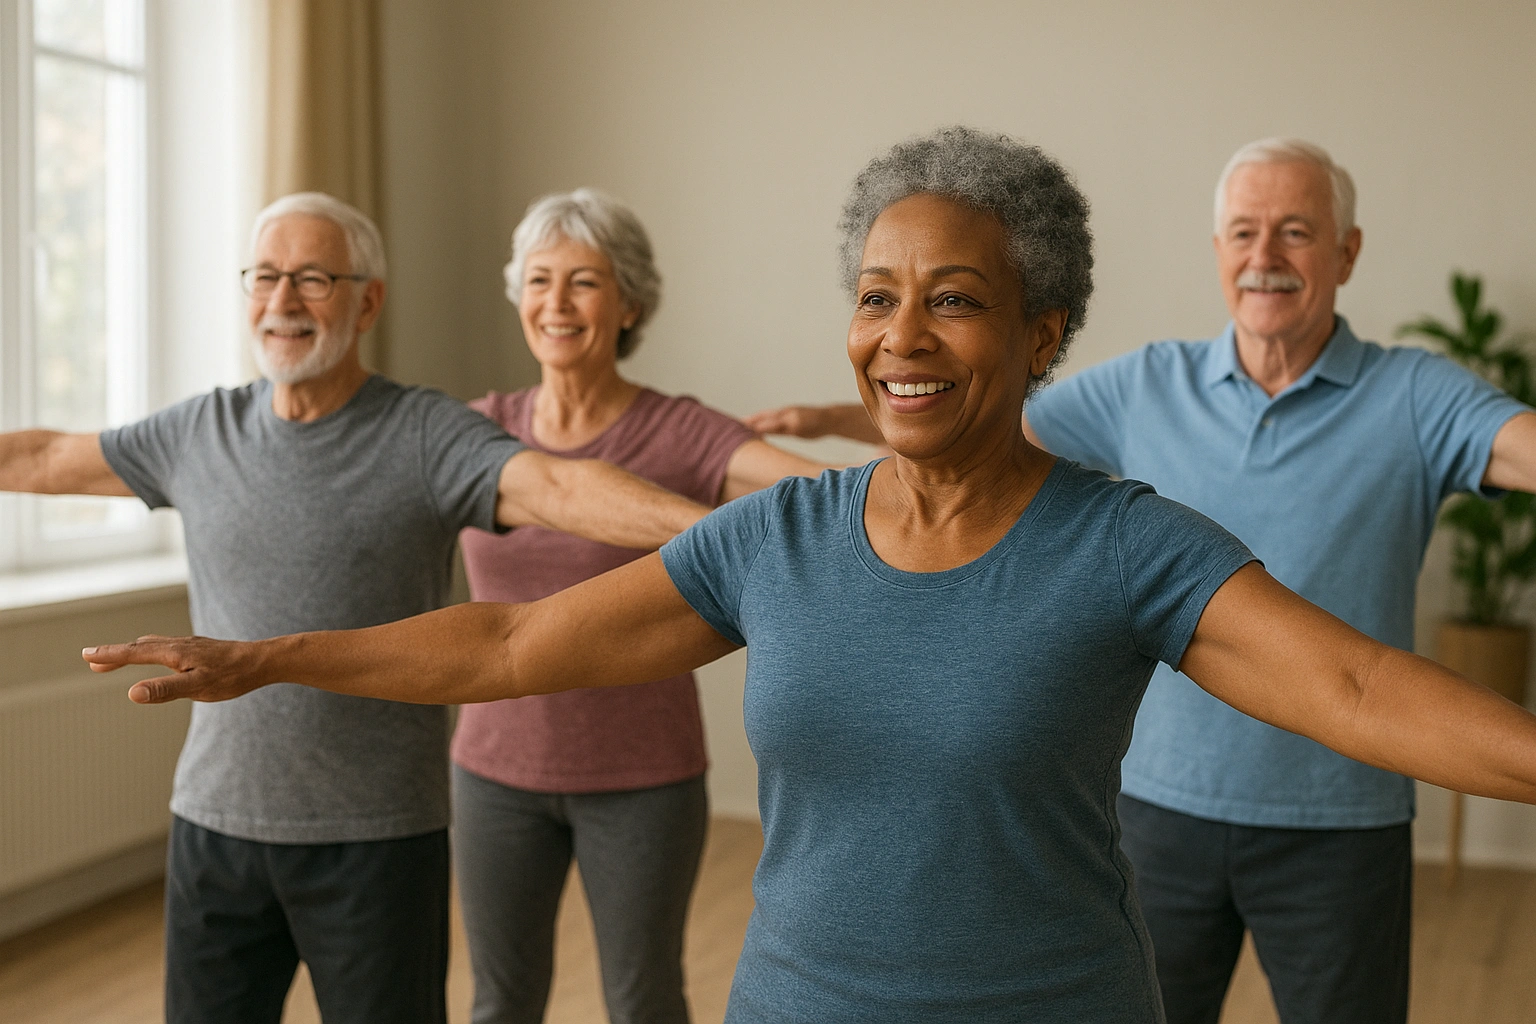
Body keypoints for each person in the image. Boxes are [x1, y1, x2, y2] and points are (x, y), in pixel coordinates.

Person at [87, 128, 1536, 1024]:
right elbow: (509, 649)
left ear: (1042, 334)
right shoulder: (778, 539)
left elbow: (1358, 685)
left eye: (954, 301)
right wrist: (269, 657)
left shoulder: (1124, 543)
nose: (902, 335)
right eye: (876, 297)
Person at [743, 137, 1536, 1024]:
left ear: (1346, 253)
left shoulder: (1417, 394)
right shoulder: (1150, 382)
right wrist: (841, 413)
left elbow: (1517, 459)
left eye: (1296, 232)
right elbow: (983, 408)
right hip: (1163, 810)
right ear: (1218, 251)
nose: (1265, 256)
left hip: (1339, 818)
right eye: (1244, 232)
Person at [0, 192, 712, 1024]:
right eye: (265, 276)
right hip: (214, 827)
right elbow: (44, 457)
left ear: (368, 302)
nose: (283, 300)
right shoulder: (198, 432)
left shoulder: (423, 433)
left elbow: (558, 486)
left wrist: (725, 536)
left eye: (313, 278)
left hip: (379, 838)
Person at [452, 187, 831, 1024]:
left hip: (641, 778)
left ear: (628, 303)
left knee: (643, 1000)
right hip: (493, 773)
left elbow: (813, 496)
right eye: (540, 280)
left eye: (584, 282)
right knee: (498, 1004)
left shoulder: (678, 432)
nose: (557, 303)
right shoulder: (478, 430)